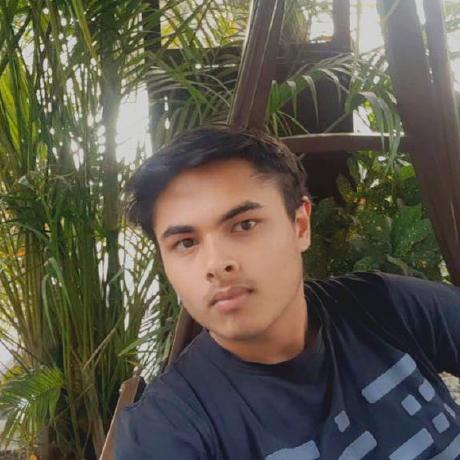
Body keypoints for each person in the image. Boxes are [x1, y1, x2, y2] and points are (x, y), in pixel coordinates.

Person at [116, 124, 460, 459]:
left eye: (244, 225)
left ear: (300, 226)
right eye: (186, 243)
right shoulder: (168, 429)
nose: (216, 264)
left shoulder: (385, 305)